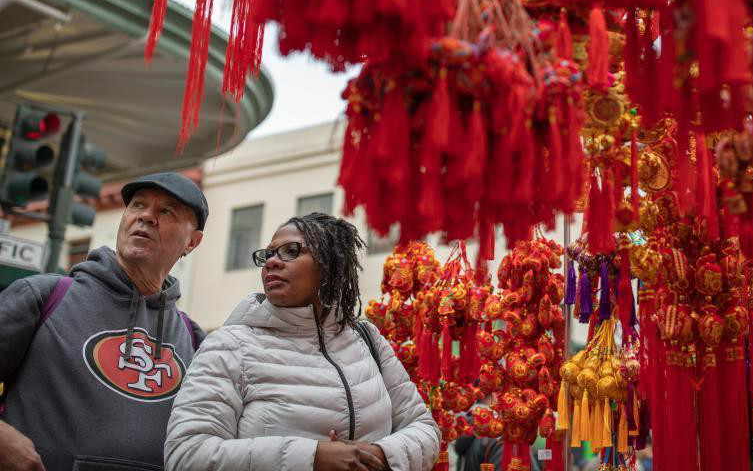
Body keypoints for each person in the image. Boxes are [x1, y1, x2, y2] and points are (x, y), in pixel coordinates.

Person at [164, 212, 441, 471]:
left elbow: (424, 429)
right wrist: (312, 457)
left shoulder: (366, 339)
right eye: (269, 254)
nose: (272, 261)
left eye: (291, 251)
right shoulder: (228, 345)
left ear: (331, 265)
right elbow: (186, 454)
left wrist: (377, 455)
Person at [0, 172, 209, 471]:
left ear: (192, 241)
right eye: (138, 206)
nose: (146, 217)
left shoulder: (193, 338)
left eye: (166, 211)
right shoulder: (44, 296)